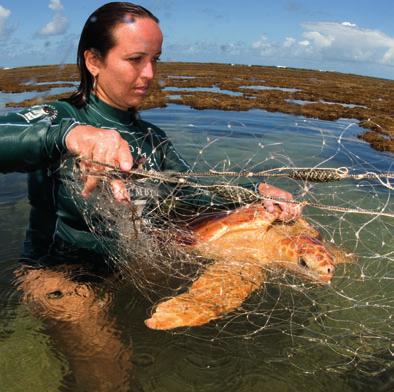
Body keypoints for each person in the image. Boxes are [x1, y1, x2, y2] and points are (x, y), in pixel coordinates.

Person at [0, 2, 301, 390]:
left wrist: (257, 191)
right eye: (135, 59)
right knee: (114, 376)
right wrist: (70, 137)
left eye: (155, 59)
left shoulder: (153, 139)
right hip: (62, 277)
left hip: (129, 269)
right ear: (93, 60)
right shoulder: (58, 116)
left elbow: (191, 193)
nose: (149, 74)